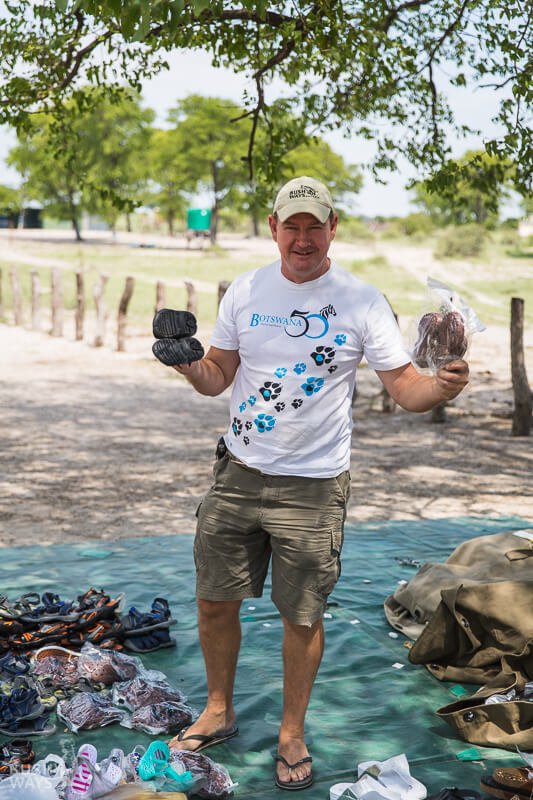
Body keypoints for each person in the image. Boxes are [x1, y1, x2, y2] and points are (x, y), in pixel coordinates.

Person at [153, 176, 469, 791]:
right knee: (215, 599)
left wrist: (444, 386)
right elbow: (219, 376)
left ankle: (291, 732)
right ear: (273, 227)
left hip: (314, 486)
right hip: (238, 472)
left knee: (302, 613)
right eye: (291, 225)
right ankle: (218, 711)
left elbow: (405, 387)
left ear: (333, 228)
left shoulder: (360, 300)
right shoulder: (245, 290)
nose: (302, 238)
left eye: (313, 225)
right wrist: (187, 360)